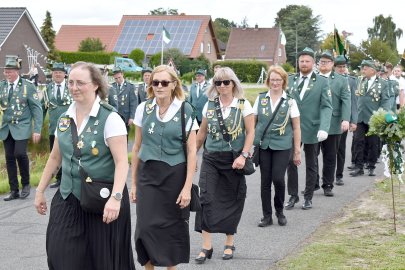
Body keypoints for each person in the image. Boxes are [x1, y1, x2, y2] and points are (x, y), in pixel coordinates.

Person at [34, 61, 135, 269]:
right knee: (59, 255)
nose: (73, 87)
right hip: (68, 197)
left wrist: (116, 199)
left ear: (96, 84)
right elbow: (55, 158)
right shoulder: (64, 118)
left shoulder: (111, 118)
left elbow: (121, 162)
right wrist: (40, 190)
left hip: (102, 200)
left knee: (100, 261)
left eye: (80, 83)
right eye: (71, 82)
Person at [130, 65, 198, 269]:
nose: (159, 86)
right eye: (155, 82)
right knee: (144, 227)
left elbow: (192, 151)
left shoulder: (185, 109)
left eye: (164, 82)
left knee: (171, 227)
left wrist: (187, 188)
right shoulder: (144, 108)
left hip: (174, 176)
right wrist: (133, 184)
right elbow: (136, 146)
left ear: (174, 84)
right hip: (147, 174)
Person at [194, 67, 254, 263]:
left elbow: (250, 132)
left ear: (233, 83)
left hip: (233, 160)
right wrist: (192, 155)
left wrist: (243, 156)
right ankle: (206, 245)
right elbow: (202, 133)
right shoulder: (209, 105)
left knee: (232, 198)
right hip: (211, 158)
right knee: (205, 198)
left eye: (226, 82)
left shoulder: (244, 105)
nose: (222, 86)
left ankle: (229, 242)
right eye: (218, 83)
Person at [253, 65, 301, 227]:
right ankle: (266, 216)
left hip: (282, 145)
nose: (275, 83)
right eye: (272, 79)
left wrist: (297, 151)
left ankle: (279, 211)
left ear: (283, 81)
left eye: (278, 80)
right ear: (268, 81)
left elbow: (296, 127)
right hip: (264, 146)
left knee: (278, 179)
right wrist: (249, 144)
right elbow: (253, 122)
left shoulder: (290, 101)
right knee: (265, 181)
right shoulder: (261, 99)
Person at [285, 47, 332, 210]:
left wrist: (324, 127)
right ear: (298, 63)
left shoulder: (322, 82)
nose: (304, 64)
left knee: (311, 164)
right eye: (301, 61)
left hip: (312, 129)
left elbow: (327, 106)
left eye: (307, 61)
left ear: (314, 63)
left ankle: (308, 197)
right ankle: (293, 195)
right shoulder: (289, 80)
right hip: (291, 129)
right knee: (291, 163)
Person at [0, 56, 43, 201]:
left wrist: (37, 129)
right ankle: (14, 190)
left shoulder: (28, 86)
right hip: (7, 127)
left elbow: (37, 109)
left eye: (10, 71)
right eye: (6, 71)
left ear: (17, 71)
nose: (7, 74)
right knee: (9, 157)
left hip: (22, 126)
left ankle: (25, 184)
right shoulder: (2, 86)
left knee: (19, 153)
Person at [316, 51, 351, 196]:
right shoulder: (312, 78)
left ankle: (328, 184)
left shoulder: (341, 80)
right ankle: (313, 183)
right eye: (321, 62)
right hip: (314, 123)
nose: (323, 64)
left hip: (333, 123)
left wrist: (346, 119)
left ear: (332, 64)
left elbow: (346, 101)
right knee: (312, 156)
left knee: (330, 156)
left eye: (326, 62)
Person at [350, 60, 390, 177]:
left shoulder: (382, 83)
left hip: (374, 117)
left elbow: (386, 100)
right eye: (362, 68)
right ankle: (358, 166)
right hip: (360, 117)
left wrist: (382, 116)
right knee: (358, 141)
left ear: (372, 70)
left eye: (365, 68)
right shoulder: (360, 80)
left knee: (373, 143)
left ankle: (371, 166)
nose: (363, 71)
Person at [42, 62, 72, 188]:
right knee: (55, 153)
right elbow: (42, 108)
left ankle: (69, 177)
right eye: (55, 72)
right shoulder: (47, 89)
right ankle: (59, 178)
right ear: (52, 74)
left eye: (60, 72)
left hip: (70, 126)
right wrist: (38, 126)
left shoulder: (71, 87)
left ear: (65, 74)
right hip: (54, 127)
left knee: (69, 152)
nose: (57, 74)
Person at [334, 55, 358, 186]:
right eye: (339, 67)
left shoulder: (351, 81)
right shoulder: (327, 79)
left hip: (343, 120)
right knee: (325, 151)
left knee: (340, 148)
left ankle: (339, 175)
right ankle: (321, 178)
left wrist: (353, 120)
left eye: (344, 66)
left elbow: (354, 102)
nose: (342, 69)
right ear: (334, 67)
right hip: (328, 120)